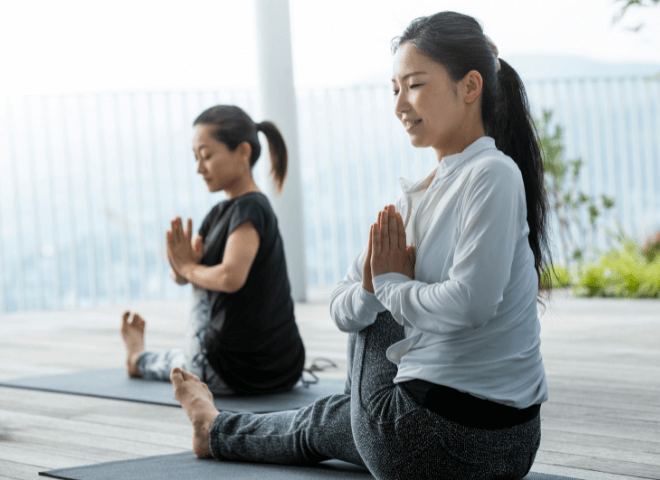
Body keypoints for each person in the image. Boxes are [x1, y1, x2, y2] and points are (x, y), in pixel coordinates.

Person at [169, 11, 551, 479]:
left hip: (440, 438)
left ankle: (217, 429)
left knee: (356, 373)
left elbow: (471, 305)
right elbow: (340, 303)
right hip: (506, 449)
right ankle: (215, 431)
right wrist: (377, 288)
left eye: (414, 85)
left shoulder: (491, 173)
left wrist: (388, 285)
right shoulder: (423, 193)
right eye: (395, 89)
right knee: (329, 416)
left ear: (470, 87)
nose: (399, 105)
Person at [120, 105, 306, 396]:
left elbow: (230, 278)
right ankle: (154, 359)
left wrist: (189, 269)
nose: (199, 168)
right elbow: (186, 276)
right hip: (284, 369)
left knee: (180, 362)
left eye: (206, 156)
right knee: (200, 282)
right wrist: (182, 267)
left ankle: (139, 360)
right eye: (196, 158)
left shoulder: (250, 207)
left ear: (243, 152)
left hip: (233, 371)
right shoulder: (220, 213)